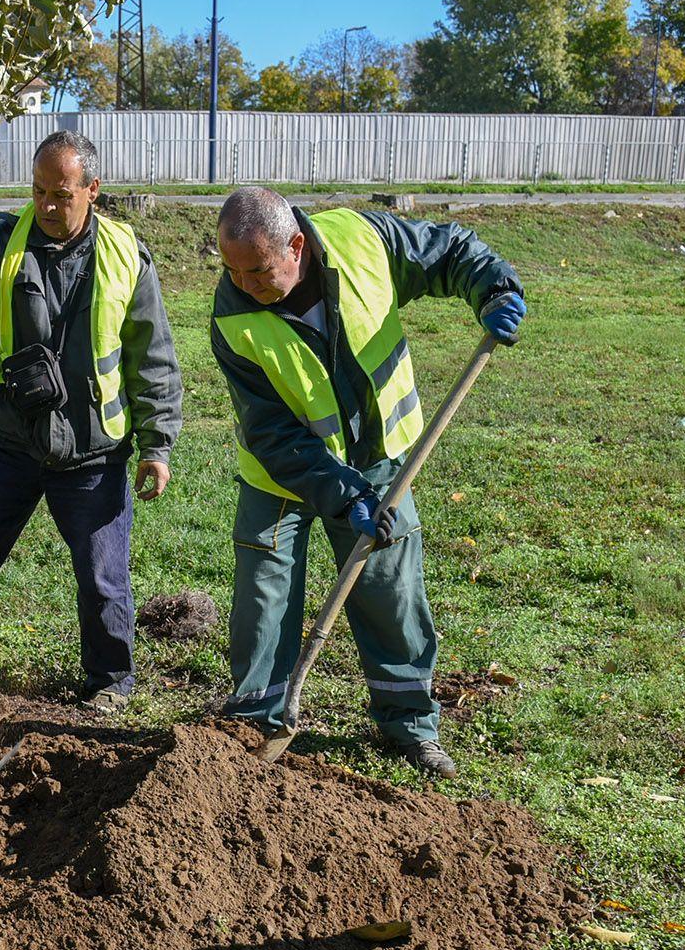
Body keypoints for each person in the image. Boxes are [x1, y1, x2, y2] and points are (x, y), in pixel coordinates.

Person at [210, 187, 527, 777]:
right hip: (281, 478)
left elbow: (448, 251)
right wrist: (342, 493)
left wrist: (494, 287)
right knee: (264, 598)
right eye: (232, 270)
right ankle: (252, 729)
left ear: (296, 246)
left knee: (391, 592)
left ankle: (409, 725)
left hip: (382, 459)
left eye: (257, 271)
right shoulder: (232, 317)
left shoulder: (362, 242)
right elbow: (275, 437)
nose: (243, 285)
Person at [0, 131, 182, 711]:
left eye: (60, 195)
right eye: (38, 191)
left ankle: (110, 684)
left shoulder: (126, 255)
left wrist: (158, 445)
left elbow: (151, 354)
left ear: (93, 190)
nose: (47, 206)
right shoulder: (2, 240)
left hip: (91, 450)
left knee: (102, 577)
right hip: (8, 442)